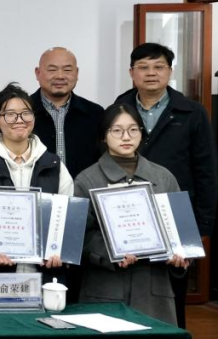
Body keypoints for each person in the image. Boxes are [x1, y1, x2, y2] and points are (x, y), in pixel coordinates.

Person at [113, 42, 217, 328]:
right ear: (131, 73)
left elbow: (206, 171)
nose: (151, 73)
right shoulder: (116, 110)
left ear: (170, 72)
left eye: (159, 67)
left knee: (172, 295)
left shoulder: (192, 112)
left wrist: (203, 227)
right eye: (143, 67)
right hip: (126, 214)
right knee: (126, 291)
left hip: (175, 215)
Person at [74, 104, 189, 325]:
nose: (126, 137)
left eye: (133, 129)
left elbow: (182, 233)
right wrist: (112, 252)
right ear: (103, 136)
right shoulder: (86, 180)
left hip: (154, 293)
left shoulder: (163, 177)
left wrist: (181, 255)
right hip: (105, 289)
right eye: (117, 130)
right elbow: (79, 237)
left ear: (142, 133)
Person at [0, 83, 73, 301]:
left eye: (26, 113)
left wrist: (58, 250)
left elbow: (66, 216)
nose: (19, 120)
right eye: (10, 114)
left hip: (43, 279)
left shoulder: (54, 165)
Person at [31, 47, 104, 177]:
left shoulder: (95, 113)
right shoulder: (20, 112)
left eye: (67, 70)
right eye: (52, 69)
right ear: (38, 73)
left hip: (84, 188)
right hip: (35, 189)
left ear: (77, 73)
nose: (60, 76)